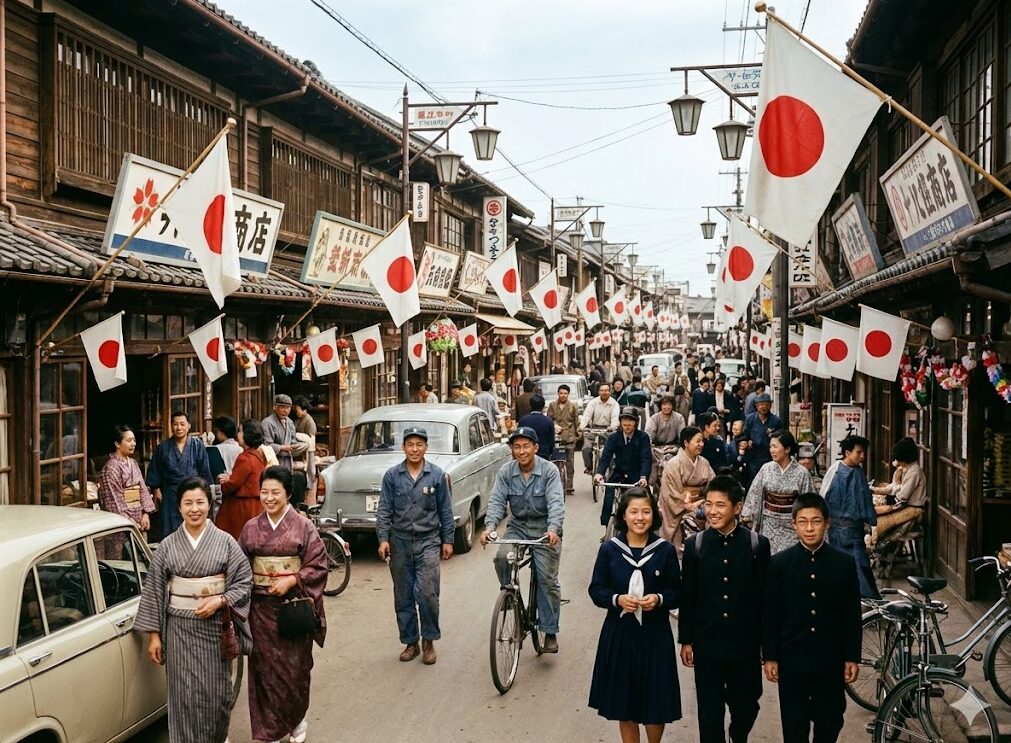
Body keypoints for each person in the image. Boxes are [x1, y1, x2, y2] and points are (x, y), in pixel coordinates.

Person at [134, 477, 253, 743]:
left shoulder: (225, 542)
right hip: (179, 629)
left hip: (213, 630)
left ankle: (216, 738)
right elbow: (153, 588)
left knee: (218, 694)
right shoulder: (167, 545)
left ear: (209, 505)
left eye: (200, 502)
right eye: (188, 503)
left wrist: (221, 601)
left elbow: (245, 581)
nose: (194, 508)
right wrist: (154, 635)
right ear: (179, 508)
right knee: (183, 695)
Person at [762, 493, 861, 743]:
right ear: (793, 524)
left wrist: (851, 656)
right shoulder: (779, 564)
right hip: (792, 658)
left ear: (827, 523)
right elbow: (771, 614)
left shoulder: (844, 563)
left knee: (830, 721)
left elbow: (851, 614)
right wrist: (770, 656)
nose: (809, 528)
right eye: (803, 522)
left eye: (816, 521)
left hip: (830, 658)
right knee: (794, 726)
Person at [240, 466, 328, 743]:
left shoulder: (303, 526)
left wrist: (293, 580)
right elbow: (241, 566)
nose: (269, 498)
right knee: (263, 670)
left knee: (295, 669)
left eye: (275, 492)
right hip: (260, 609)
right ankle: (269, 730)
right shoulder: (251, 527)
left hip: (293, 608)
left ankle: (297, 718)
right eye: (264, 492)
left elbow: (319, 564)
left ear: (288, 494)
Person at [680, 475, 770, 743]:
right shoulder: (695, 545)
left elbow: (765, 598)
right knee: (709, 710)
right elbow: (688, 596)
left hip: (746, 643)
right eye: (708, 504)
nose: (713, 511)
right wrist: (686, 639)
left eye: (720, 505)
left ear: (737, 508)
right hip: (707, 642)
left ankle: (737, 735)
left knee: (747, 704)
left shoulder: (756, 544)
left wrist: (768, 644)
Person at [588, 488, 682, 742]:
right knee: (624, 703)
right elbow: (596, 589)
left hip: (655, 637)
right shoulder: (610, 550)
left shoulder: (664, 551)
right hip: (620, 636)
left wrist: (659, 599)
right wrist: (617, 599)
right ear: (623, 515)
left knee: (655, 704)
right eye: (634, 512)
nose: (640, 517)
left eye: (646, 511)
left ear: (654, 515)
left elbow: (677, 590)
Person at [480, 427, 565, 653]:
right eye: (516, 447)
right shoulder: (506, 471)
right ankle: (510, 595)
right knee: (501, 557)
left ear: (536, 448)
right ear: (512, 450)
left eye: (526, 446)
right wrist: (489, 528)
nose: (521, 451)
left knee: (547, 579)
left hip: (545, 529)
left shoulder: (549, 471)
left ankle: (549, 630)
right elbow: (497, 501)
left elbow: (556, 503)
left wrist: (554, 529)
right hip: (518, 526)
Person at [376, 427, 454, 664]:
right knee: (404, 596)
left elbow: (446, 511)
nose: (414, 449)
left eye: (419, 444)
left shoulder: (437, 475)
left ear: (426, 448)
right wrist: (383, 539)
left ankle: (428, 640)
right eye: (410, 444)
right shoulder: (392, 476)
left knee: (428, 593)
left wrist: (448, 540)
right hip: (399, 542)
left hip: (428, 540)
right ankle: (410, 642)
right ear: (403, 448)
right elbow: (384, 510)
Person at [821, 435, 879, 599]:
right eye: (859, 452)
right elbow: (825, 497)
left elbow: (865, 499)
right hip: (840, 529)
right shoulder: (836, 471)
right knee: (852, 567)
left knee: (860, 566)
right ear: (847, 452)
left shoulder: (857, 470)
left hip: (855, 528)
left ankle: (866, 603)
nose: (862, 456)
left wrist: (871, 523)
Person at [743, 431, 815, 554]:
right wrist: (748, 515)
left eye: (775, 446)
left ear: (787, 449)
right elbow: (755, 494)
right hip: (768, 525)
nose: (772, 450)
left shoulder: (802, 473)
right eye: (770, 446)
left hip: (791, 526)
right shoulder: (766, 469)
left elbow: (808, 502)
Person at [146, 410, 213, 538]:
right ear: (171, 426)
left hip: (193, 492)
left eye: (182, 424)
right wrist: (157, 490)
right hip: (170, 494)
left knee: (194, 526)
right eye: (175, 424)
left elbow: (204, 472)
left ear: (188, 426)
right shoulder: (163, 448)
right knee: (170, 531)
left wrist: (205, 494)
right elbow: (154, 472)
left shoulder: (197, 445)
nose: (179, 427)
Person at [98, 425, 156, 557]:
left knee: (140, 559)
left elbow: (142, 489)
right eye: (128, 440)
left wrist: (145, 513)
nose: (133, 444)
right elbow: (113, 502)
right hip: (121, 524)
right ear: (117, 443)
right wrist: (130, 522)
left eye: (134, 440)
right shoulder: (111, 468)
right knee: (120, 560)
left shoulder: (133, 463)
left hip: (139, 520)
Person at [659, 426, 716, 558]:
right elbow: (671, 493)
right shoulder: (673, 464)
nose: (701, 444)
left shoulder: (704, 463)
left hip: (701, 507)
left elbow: (713, 486)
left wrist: (704, 502)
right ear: (686, 443)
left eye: (702, 441)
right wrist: (688, 505)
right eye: (697, 441)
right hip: (680, 510)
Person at [594, 407, 652, 533]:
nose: (627, 426)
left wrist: (643, 477)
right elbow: (606, 457)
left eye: (630, 422)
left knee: (647, 500)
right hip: (619, 473)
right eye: (624, 422)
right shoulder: (614, 437)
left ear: (636, 422)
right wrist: (599, 474)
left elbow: (646, 458)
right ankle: (607, 529)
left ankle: (649, 531)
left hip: (637, 475)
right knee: (609, 497)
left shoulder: (642, 437)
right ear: (620, 422)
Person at [216, 419, 268, 540]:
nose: (237, 434)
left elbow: (233, 484)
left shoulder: (245, 458)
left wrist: (224, 483)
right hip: (254, 505)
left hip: (241, 507)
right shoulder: (257, 455)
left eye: (240, 431)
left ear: (247, 435)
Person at [869, 437, 927, 545]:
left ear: (905, 458)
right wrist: (878, 489)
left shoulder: (914, 472)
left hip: (913, 508)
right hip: (906, 504)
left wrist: (896, 483)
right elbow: (895, 488)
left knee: (881, 524)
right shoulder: (907, 469)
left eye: (899, 460)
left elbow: (902, 496)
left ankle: (882, 546)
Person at [741, 393, 783, 484]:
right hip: (753, 458)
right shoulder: (750, 419)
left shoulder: (776, 421)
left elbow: (781, 439)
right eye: (760, 405)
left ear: (770, 405)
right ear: (756, 406)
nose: (763, 407)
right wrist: (747, 443)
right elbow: (745, 436)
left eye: (766, 404)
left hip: (769, 457)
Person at [580, 382, 621, 474]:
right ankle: (589, 467)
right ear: (598, 392)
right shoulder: (593, 403)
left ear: (610, 392)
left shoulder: (614, 404)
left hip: (608, 430)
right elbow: (586, 416)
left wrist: (612, 426)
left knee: (612, 451)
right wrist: (581, 426)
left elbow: (615, 418)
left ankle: (612, 471)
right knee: (586, 448)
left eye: (606, 390)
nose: (604, 392)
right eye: (602, 390)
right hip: (593, 430)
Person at [547, 384, 580, 497]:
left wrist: (577, 436)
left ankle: (569, 486)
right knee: (555, 463)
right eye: (561, 393)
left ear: (568, 394)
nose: (563, 395)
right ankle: (556, 484)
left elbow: (577, 423)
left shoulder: (573, 406)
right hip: (556, 438)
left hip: (569, 438)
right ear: (558, 394)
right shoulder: (552, 405)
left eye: (565, 393)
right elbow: (549, 420)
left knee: (570, 463)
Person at [517, 394, 556, 461]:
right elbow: (551, 441)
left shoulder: (523, 421)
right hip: (544, 454)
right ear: (543, 406)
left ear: (530, 405)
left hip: (527, 454)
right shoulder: (548, 421)